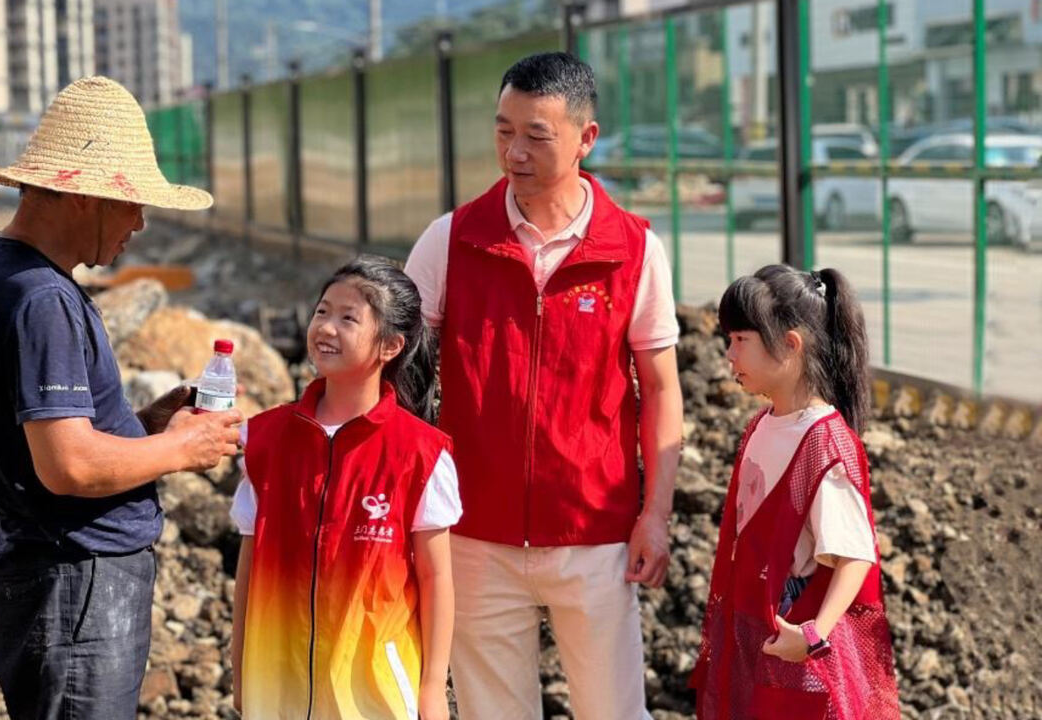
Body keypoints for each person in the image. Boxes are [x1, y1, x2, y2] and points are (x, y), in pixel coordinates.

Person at [0, 76, 243, 719]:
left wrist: (144, 425)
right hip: (75, 585)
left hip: (58, 583)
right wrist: (182, 447)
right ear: (84, 196)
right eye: (131, 203)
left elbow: (52, 439)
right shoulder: (42, 300)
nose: (139, 222)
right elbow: (70, 465)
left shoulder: (6, 272)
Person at [404, 52, 683, 719]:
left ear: (587, 138)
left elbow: (661, 390)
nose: (514, 152)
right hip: (473, 532)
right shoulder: (450, 240)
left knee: (614, 712)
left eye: (536, 135)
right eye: (504, 131)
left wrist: (655, 515)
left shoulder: (634, 250)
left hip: (595, 533)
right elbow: (401, 371)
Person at [229, 256, 461, 719]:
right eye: (322, 311)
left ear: (390, 345)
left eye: (348, 318)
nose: (326, 327)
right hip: (275, 686)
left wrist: (433, 687)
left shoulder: (421, 453)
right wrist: (241, 669)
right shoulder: (264, 439)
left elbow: (436, 579)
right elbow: (249, 568)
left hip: (374, 695)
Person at [690, 265, 901, 719]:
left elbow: (855, 555)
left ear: (790, 344)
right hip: (755, 631)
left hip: (795, 647)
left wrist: (812, 635)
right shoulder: (761, 425)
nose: (729, 354)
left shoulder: (823, 442)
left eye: (740, 339)